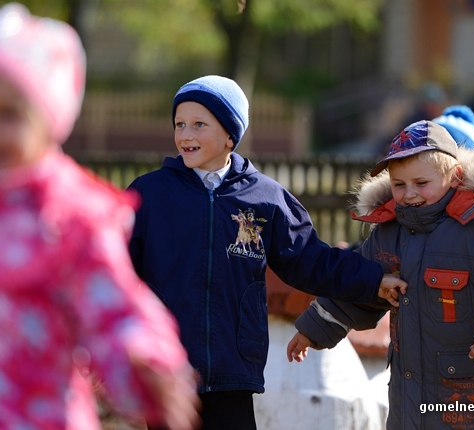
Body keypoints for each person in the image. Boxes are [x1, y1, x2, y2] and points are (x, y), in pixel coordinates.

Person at [0, 4, 199, 430]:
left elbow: (116, 309)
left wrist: (143, 362)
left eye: (8, 115)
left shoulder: (69, 217)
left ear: (48, 123)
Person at [126, 75, 408, 430]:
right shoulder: (149, 195)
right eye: (179, 124)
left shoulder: (265, 197)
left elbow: (310, 260)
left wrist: (372, 280)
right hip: (168, 368)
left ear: (230, 133)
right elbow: (115, 273)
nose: (185, 134)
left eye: (199, 124)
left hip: (234, 370)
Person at [286, 120, 474, 429]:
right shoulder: (387, 236)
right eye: (399, 184)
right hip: (413, 405)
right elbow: (358, 289)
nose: (409, 194)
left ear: (455, 176)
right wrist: (313, 329)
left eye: (421, 183)